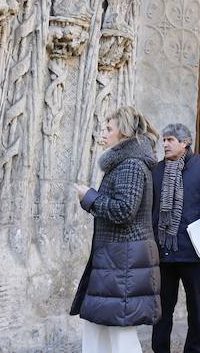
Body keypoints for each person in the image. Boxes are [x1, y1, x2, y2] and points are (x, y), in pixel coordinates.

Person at [71, 105, 161, 353]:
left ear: (122, 131)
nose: (104, 132)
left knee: (120, 332)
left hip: (124, 258)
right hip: (116, 257)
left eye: (109, 128)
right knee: (97, 326)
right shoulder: (125, 163)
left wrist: (89, 197)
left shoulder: (131, 164)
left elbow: (124, 210)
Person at [151, 122, 200, 353]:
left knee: (198, 311)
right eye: (164, 140)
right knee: (161, 311)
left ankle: (194, 350)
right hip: (165, 252)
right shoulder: (157, 170)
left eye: (170, 140)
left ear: (185, 143)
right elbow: (152, 209)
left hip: (194, 254)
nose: (165, 144)